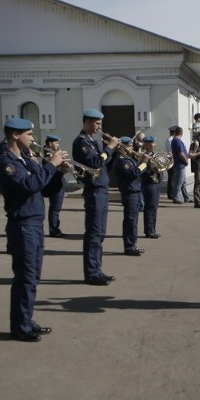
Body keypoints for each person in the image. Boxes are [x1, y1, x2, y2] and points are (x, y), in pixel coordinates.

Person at [0, 118, 70, 342]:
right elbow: (29, 185)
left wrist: (58, 172)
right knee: (25, 278)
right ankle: (19, 326)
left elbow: (44, 188)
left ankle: (26, 320)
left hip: (35, 223)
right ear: (15, 135)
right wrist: (50, 165)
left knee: (33, 277)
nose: (32, 138)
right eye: (28, 133)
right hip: (23, 225)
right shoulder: (6, 163)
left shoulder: (26, 160)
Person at [72, 109, 118, 285]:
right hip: (94, 191)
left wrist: (114, 152)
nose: (99, 127)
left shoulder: (93, 141)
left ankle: (97, 269)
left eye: (100, 123)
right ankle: (91, 273)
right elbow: (96, 163)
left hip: (102, 190)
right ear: (87, 122)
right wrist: (110, 148)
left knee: (100, 233)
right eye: (97, 123)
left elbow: (104, 163)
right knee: (94, 233)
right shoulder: (81, 142)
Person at [114, 136, 146, 256]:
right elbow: (135, 173)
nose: (131, 148)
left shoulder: (128, 159)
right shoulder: (122, 161)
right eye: (129, 145)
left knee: (134, 220)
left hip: (135, 192)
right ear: (122, 147)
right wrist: (145, 162)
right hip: (130, 193)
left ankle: (132, 244)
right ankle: (129, 246)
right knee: (130, 221)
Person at [40, 134, 67, 238]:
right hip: (54, 185)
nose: (58, 145)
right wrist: (62, 167)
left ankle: (55, 228)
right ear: (50, 143)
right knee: (55, 209)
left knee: (57, 208)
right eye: (56, 143)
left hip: (59, 183)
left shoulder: (56, 154)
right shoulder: (47, 156)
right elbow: (52, 170)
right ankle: (54, 230)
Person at [140, 135, 163, 239]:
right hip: (149, 183)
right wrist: (152, 170)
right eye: (148, 143)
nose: (151, 145)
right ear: (145, 144)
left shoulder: (155, 155)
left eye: (152, 143)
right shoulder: (143, 156)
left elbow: (162, 166)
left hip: (157, 182)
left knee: (154, 207)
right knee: (150, 207)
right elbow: (142, 170)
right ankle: (149, 231)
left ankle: (152, 229)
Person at [169, 126, 190, 203]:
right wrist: (186, 161)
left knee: (183, 182)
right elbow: (181, 153)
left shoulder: (174, 140)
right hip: (180, 164)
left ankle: (186, 197)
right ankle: (176, 197)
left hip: (179, 164)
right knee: (179, 181)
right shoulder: (177, 141)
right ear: (181, 133)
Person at [188, 131, 200, 208]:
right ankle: (197, 202)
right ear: (199, 137)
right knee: (198, 184)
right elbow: (190, 155)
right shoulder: (194, 144)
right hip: (198, 167)